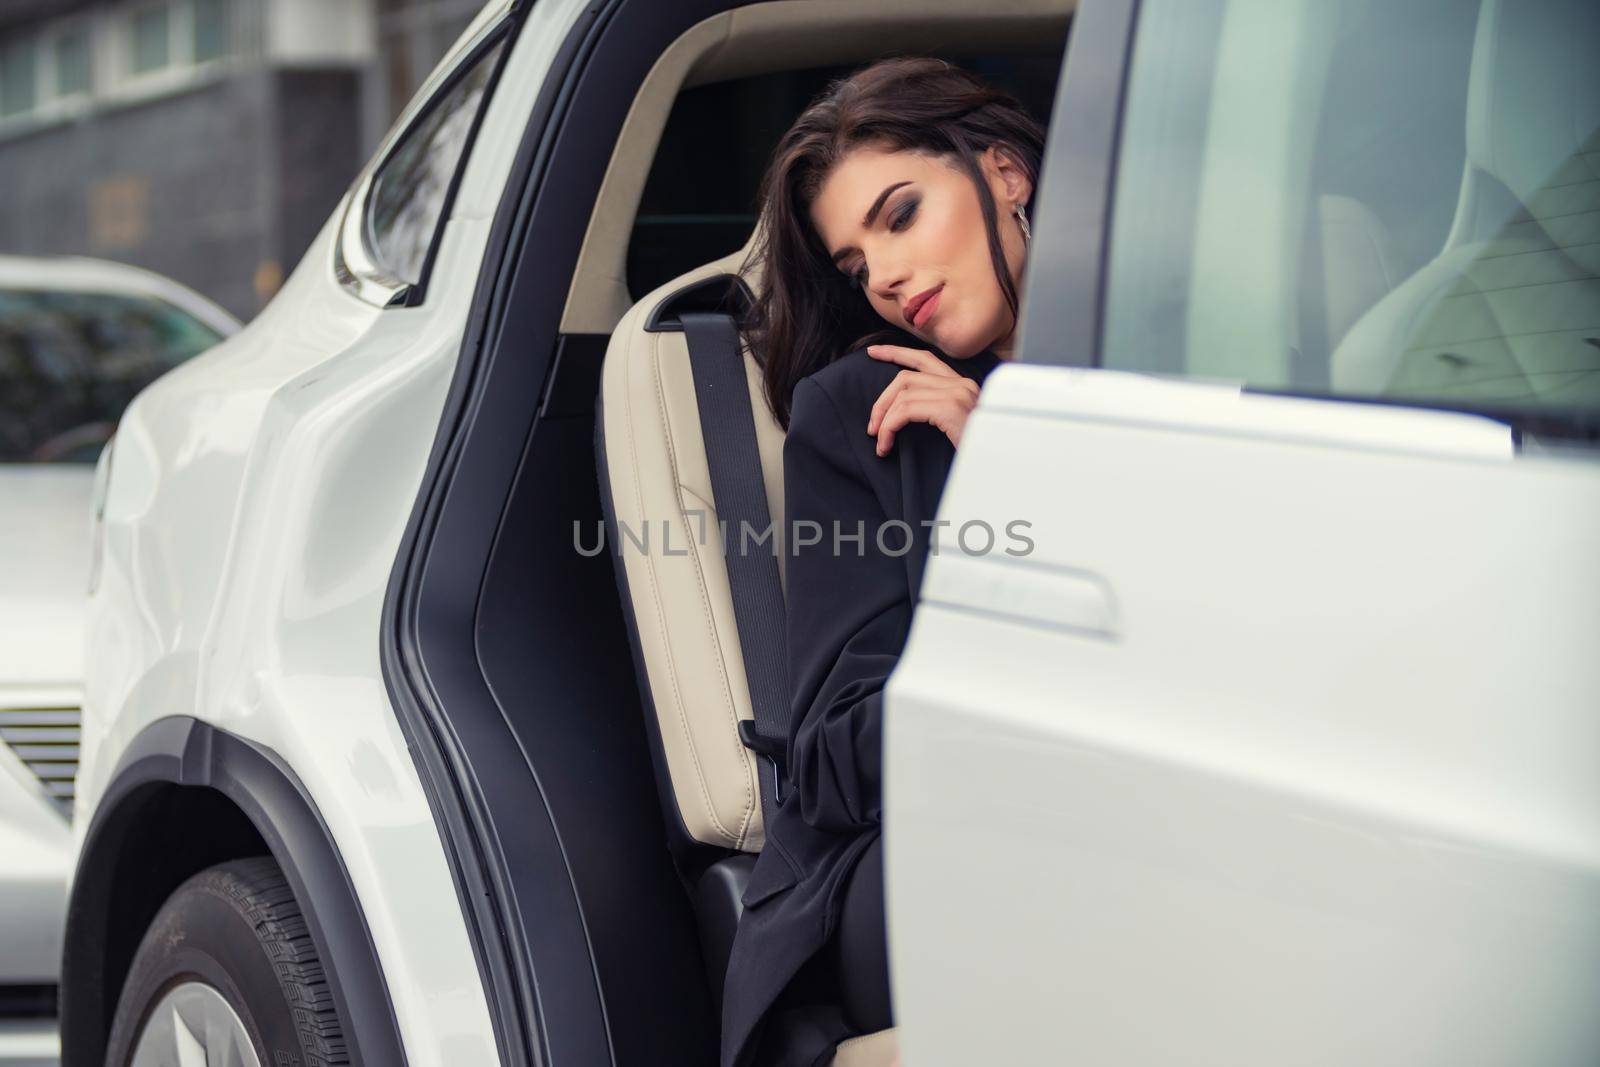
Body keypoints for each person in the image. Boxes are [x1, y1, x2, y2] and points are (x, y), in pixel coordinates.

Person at [719, 57, 1045, 1067]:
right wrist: (996, 489)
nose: (888, 278)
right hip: (923, 855)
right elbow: (830, 759)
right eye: (857, 265)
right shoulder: (867, 413)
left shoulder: (1179, 353)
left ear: (1003, 172)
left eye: (900, 216)